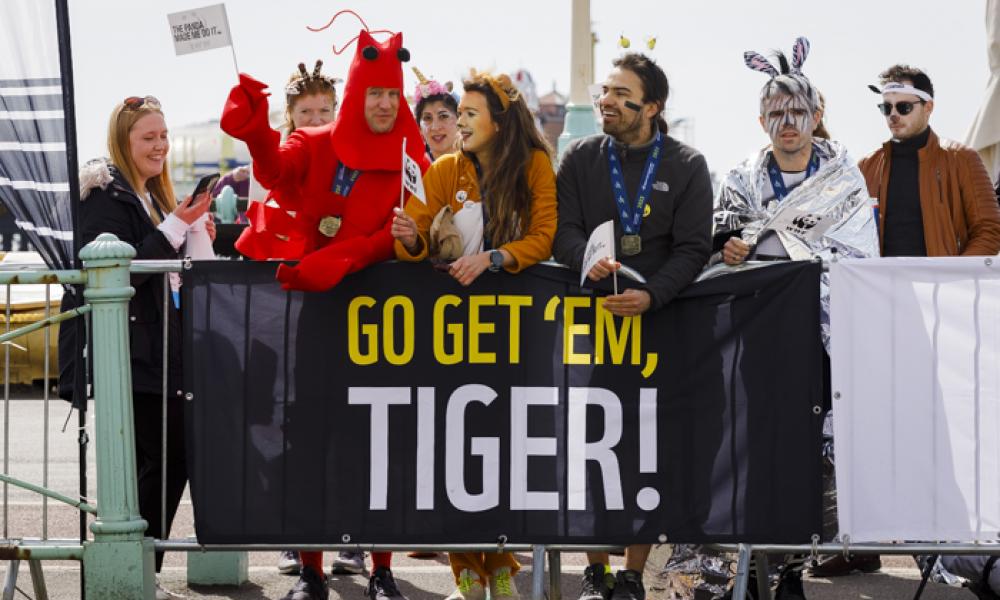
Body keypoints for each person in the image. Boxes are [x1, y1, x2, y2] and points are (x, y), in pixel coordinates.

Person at [221, 23, 427, 600]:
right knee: (308, 436)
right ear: (358, 92)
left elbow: (418, 231)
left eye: (393, 93)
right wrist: (255, 127)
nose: (385, 104)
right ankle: (310, 569)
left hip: (386, 323)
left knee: (381, 440)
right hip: (316, 314)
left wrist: (354, 252)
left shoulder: (415, 155)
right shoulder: (314, 143)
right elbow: (275, 170)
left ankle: (381, 568)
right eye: (375, 92)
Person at [711, 38, 878, 600]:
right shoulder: (737, 180)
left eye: (798, 111)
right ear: (761, 121)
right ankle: (753, 566)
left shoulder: (846, 182)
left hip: (823, 341)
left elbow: (859, 259)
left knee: (810, 456)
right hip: (759, 339)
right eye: (777, 113)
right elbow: (719, 243)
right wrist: (730, 249)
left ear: (817, 115)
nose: (788, 122)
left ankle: (788, 571)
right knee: (756, 452)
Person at [552, 52, 713, 600]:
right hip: (589, 324)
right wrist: (584, 262)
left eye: (623, 94)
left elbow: (694, 249)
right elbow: (562, 231)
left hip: (658, 328)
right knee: (588, 445)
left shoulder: (688, 165)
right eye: (606, 91)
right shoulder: (578, 157)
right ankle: (595, 570)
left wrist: (653, 296)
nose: (609, 102)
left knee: (649, 451)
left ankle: (632, 575)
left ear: (653, 107)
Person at [391, 71, 556, 600]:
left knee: (508, 445)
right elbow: (412, 239)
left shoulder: (534, 164)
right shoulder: (442, 169)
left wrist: (494, 258)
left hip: (516, 326)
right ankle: (466, 564)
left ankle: (502, 560)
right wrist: (411, 238)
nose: (458, 122)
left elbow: (545, 235)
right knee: (453, 446)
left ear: (499, 121)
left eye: (468, 114)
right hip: (451, 331)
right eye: (455, 113)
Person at [62, 95, 215, 600]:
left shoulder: (152, 195)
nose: (160, 145)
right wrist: (176, 227)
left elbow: (173, 273)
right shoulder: (105, 193)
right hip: (127, 353)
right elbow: (110, 266)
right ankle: (135, 569)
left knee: (161, 461)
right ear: (123, 141)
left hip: (161, 350)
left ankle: (137, 569)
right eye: (148, 137)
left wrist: (195, 229)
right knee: (168, 459)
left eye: (163, 135)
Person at [858, 65, 1000, 259]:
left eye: (903, 107)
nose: (893, 115)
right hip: (882, 286)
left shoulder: (963, 159)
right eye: (886, 107)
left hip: (942, 286)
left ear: (928, 107)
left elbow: (989, 229)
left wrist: (953, 276)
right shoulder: (866, 167)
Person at [413, 68, 460, 162]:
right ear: (419, 129)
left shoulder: (480, 167)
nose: (435, 127)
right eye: (427, 118)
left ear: (459, 120)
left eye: (443, 116)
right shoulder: (412, 172)